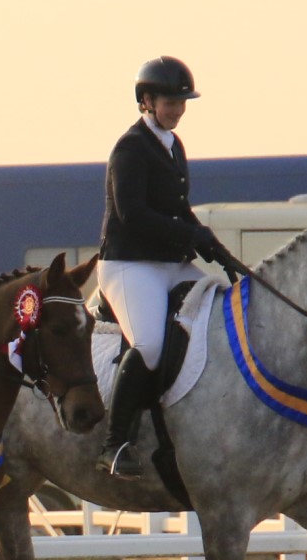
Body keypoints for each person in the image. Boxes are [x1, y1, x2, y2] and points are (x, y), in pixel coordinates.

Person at [96, 57, 229, 479]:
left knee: (221, 313)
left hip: (169, 264)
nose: (178, 109)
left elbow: (176, 209)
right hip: (129, 265)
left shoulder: (173, 146)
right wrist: (190, 237)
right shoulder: (130, 148)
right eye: (171, 102)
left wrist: (213, 248)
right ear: (147, 102)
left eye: (182, 102)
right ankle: (115, 444)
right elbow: (132, 214)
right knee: (150, 345)